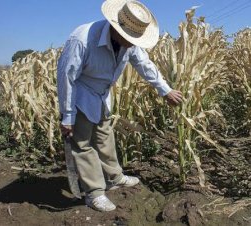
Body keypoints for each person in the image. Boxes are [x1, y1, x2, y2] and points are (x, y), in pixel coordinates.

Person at [57, 0, 183, 212]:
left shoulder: (129, 43)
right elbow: (66, 77)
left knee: (105, 136)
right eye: (131, 39)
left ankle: (114, 177)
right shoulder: (82, 39)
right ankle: (94, 192)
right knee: (83, 144)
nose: (134, 43)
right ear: (117, 28)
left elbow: (144, 64)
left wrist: (165, 90)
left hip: (103, 94)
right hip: (80, 95)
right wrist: (68, 115)